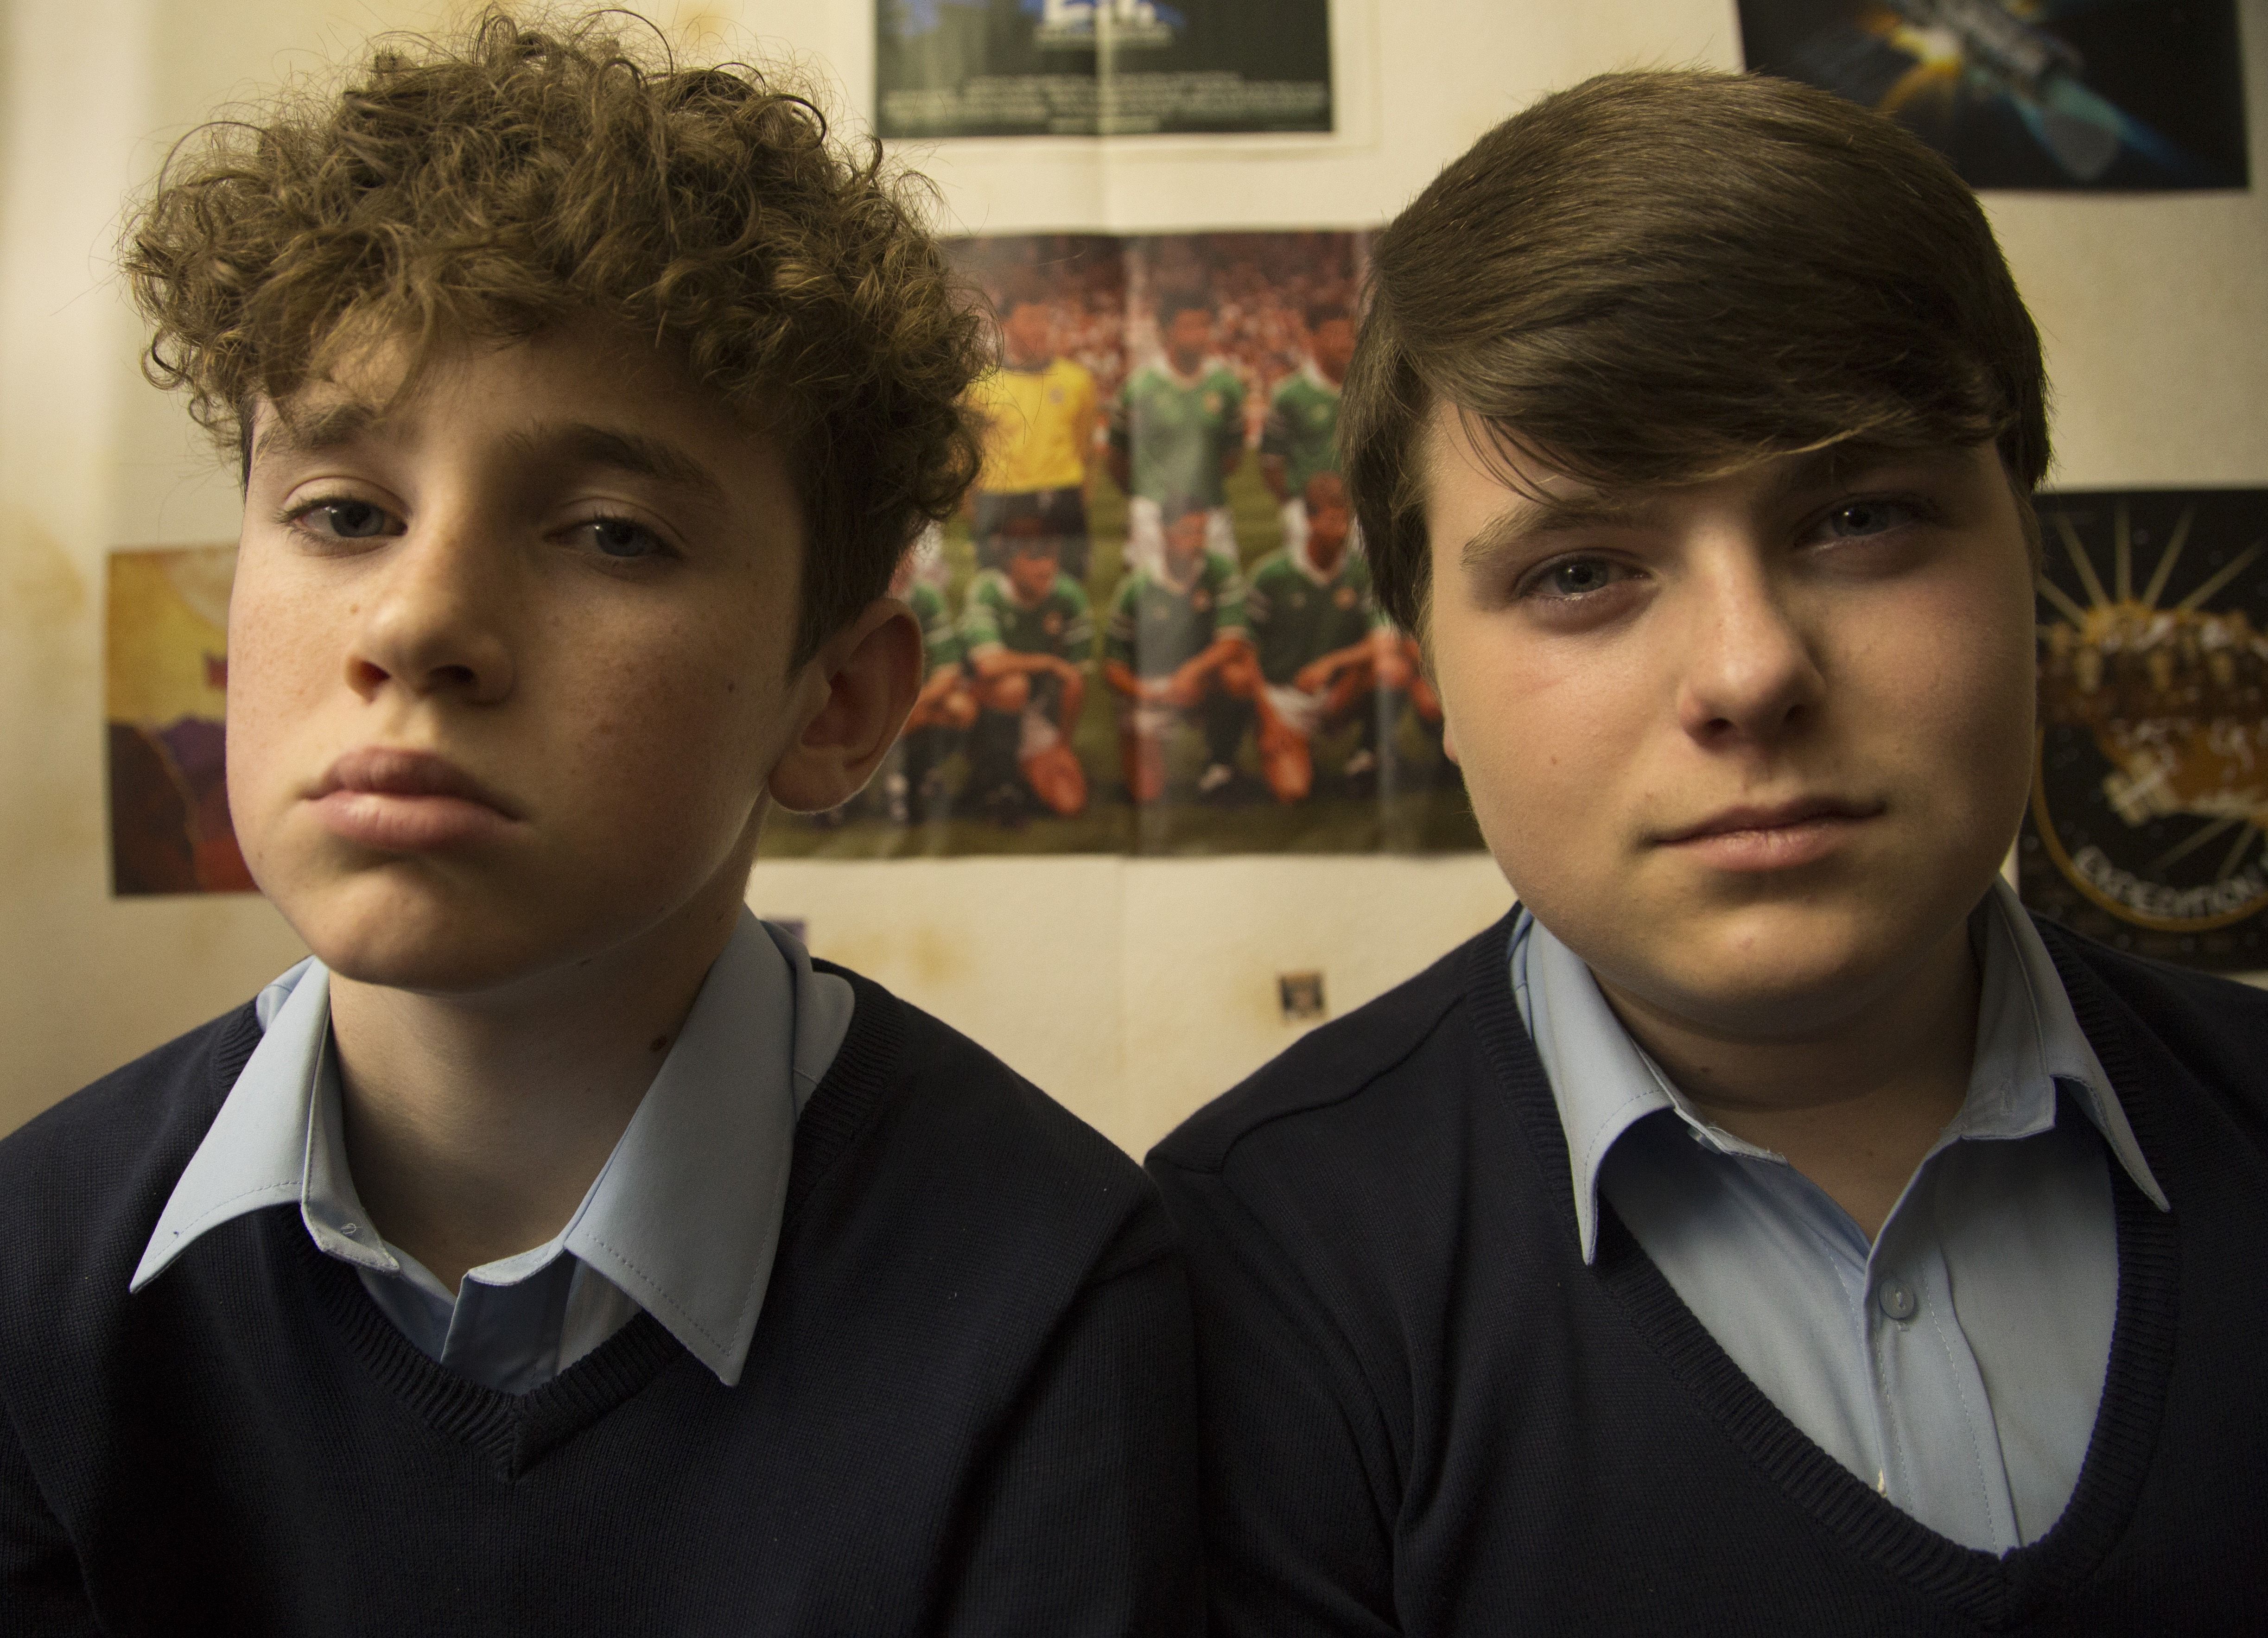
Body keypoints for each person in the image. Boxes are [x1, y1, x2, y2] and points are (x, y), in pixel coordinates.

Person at [0, 17, 1201, 1632]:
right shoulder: (33, 1273)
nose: (416, 622)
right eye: (344, 512)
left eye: (613, 534)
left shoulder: (1050, 1281)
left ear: (835, 702)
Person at [1147, 69, 2268, 1633]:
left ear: (2031, 552)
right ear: (1428, 680)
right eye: (1579, 571)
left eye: (1860, 519)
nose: (1748, 672)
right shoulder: (1241, 1267)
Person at [1103, 495, 1261, 804]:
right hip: (1150, 689)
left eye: (1202, 531)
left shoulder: (1220, 570)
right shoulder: (1136, 587)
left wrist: (1191, 672)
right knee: (1147, 795)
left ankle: (1220, 764)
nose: (1197, 541)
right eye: (1187, 532)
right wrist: (1150, 693)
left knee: (1240, 674)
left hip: (1200, 681)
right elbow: (1112, 668)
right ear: (1164, 532)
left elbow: (1233, 641)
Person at [1244, 472, 1382, 802]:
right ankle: (1237, 758)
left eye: (1347, 521)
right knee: (1293, 792)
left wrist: (1331, 663)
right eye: (1332, 521)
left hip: (1337, 692)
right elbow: (1243, 652)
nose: (1342, 531)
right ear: (1309, 520)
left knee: (1389, 668)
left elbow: (1385, 641)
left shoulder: (1361, 572)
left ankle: (1368, 754)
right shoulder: (1271, 575)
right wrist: (1269, 717)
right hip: (1284, 696)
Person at [965, 273, 1098, 578]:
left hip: (1061, 494)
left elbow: (1085, 447)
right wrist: (975, 508)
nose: (1039, 328)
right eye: (1029, 319)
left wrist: (1079, 495)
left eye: (1044, 319)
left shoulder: (1076, 381)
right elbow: (966, 458)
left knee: (1068, 587)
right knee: (998, 589)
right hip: (1001, 499)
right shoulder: (981, 387)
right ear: (1006, 325)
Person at [960, 523, 1094, 822]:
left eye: (1051, 557)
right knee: (1013, 686)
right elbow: (988, 665)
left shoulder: (1069, 595)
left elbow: (1075, 680)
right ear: (1012, 561)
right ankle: (999, 780)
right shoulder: (987, 589)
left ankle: (1019, 770)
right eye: (1033, 558)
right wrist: (1048, 662)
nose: (1045, 567)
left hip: (1033, 711)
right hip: (980, 703)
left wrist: (1062, 746)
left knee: (1070, 802)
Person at [1108, 292, 1246, 574]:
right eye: (1188, 326)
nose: (1198, 335)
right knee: (1153, 590)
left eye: (1204, 326)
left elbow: (1233, 456)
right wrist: (1145, 498)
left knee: (1220, 589)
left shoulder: (1226, 386)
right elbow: (1118, 458)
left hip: (1210, 509)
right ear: (1168, 331)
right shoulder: (1141, 388)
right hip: (1153, 512)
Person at [878, 528, 976, 825]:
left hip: (915, 697)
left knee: (962, 708)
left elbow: (949, 668)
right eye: (893, 558)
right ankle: (892, 782)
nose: (901, 566)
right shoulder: (860, 598)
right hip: (871, 698)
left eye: (906, 556)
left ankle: (918, 775)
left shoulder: (926, 596)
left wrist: (913, 706)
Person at [1258, 303, 1355, 559]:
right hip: (1308, 512)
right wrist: (1294, 504)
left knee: (1359, 580)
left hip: (1359, 510)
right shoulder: (1290, 395)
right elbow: (1271, 461)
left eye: (1350, 334)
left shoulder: (1367, 393)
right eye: (1334, 334)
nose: (1345, 343)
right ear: (1313, 340)